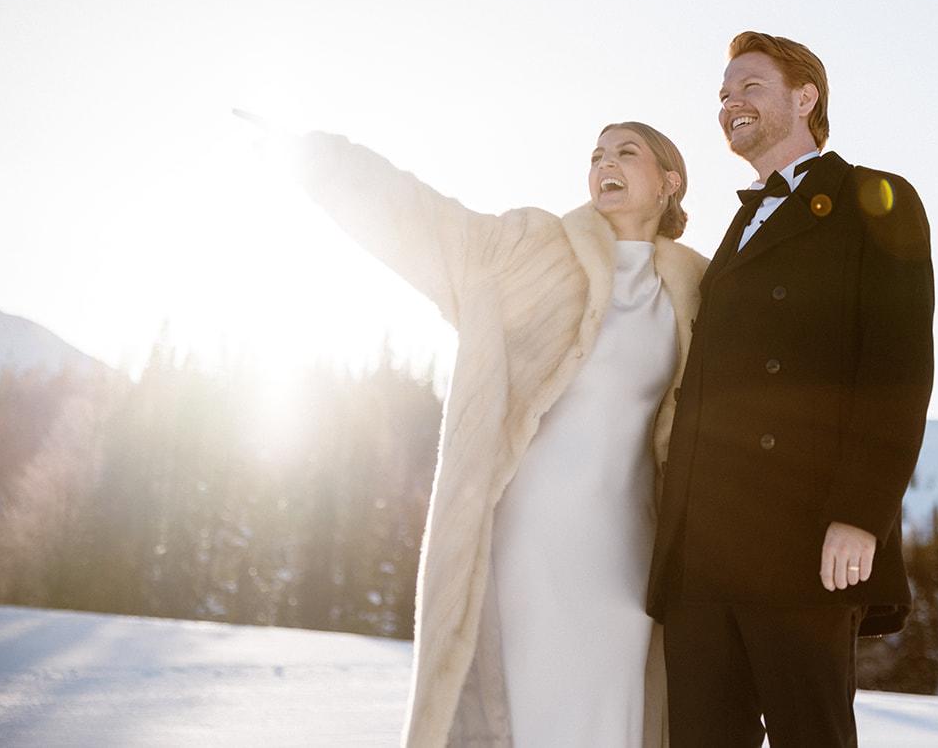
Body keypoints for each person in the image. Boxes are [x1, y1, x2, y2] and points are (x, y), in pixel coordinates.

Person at [246, 113, 708, 748]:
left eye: (626, 153)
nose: (605, 164)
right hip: (528, 544)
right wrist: (323, 160)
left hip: (630, 554)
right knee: (527, 712)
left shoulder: (696, 291)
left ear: (669, 183)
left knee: (616, 716)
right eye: (596, 154)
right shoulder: (526, 252)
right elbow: (420, 220)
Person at [647, 33, 935, 747]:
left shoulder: (876, 202)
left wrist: (860, 514)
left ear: (805, 98)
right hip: (704, 551)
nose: (729, 103)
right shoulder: (740, 224)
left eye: (748, 86)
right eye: (722, 94)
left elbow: (898, 370)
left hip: (805, 540)